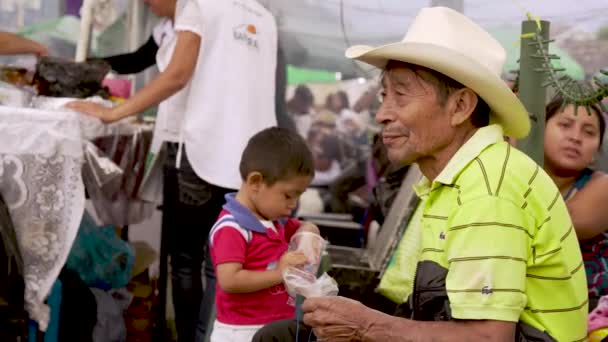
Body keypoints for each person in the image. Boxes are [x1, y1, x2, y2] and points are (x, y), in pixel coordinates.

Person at [253, 7, 587, 342]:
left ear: (460, 107)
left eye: (400, 94)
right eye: (385, 95)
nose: (383, 114)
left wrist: (367, 325)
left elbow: (488, 338)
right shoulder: (455, 177)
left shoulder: (489, 190)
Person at [67, 1, 279, 341]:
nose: (149, 5)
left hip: (199, 150)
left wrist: (110, 114)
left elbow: (177, 74)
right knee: (225, 265)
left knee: (185, 262)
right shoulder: (264, 17)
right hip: (249, 159)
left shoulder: (197, 5)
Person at [209, 127, 321, 342]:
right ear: (256, 182)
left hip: (275, 326)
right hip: (240, 332)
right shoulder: (232, 228)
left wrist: (309, 234)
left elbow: (304, 226)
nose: (293, 205)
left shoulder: (272, 219)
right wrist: (280, 273)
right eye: (288, 195)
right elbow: (229, 279)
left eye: (298, 197)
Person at [543, 96, 608, 307]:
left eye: (589, 132)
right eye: (565, 125)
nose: (575, 137)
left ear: (596, 153)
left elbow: (561, 224)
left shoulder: (602, 185)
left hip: (591, 315)